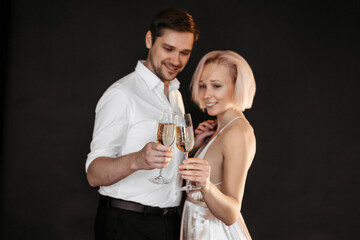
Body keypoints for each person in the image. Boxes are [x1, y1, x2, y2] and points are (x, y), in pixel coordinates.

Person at [85, 8, 199, 240]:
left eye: (184, 52)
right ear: (149, 40)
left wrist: (195, 145)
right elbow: (93, 173)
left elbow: (168, 162)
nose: (176, 60)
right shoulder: (122, 94)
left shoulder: (175, 95)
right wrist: (137, 160)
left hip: (168, 223)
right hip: (126, 225)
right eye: (168, 49)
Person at [178, 50, 256, 239]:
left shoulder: (237, 132)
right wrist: (196, 147)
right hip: (199, 228)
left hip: (214, 233)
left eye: (217, 86)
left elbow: (231, 214)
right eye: (203, 85)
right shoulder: (220, 128)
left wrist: (205, 185)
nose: (206, 94)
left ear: (237, 86)